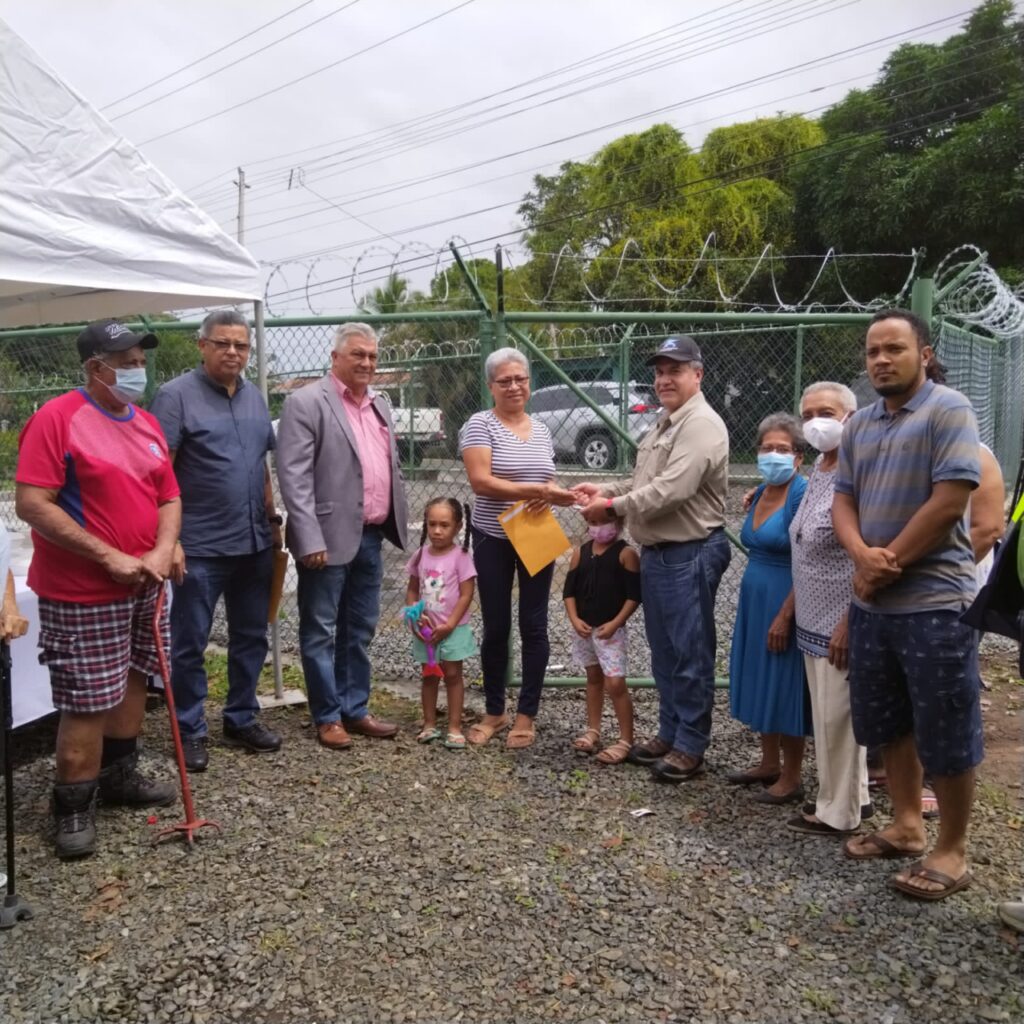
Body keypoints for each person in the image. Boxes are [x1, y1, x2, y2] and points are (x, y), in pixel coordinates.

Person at [15, 320, 180, 859]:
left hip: (144, 583)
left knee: (136, 676)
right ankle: (72, 805)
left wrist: (162, 548)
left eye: (139, 359)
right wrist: (108, 556)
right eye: (127, 361)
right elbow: (33, 503)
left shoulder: (148, 424)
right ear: (95, 368)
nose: (138, 369)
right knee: (86, 699)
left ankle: (118, 776)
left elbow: (168, 498)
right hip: (82, 589)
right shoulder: (56, 420)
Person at [833, 308, 983, 901]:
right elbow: (843, 500)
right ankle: (905, 825)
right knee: (889, 723)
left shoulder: (949, 410)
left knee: (946, 726)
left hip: (935, 603)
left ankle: (952, 849)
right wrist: (860, 557)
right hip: (875, 607)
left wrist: (883, 561)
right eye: (873, 351)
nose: (881, 360)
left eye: (894, 348)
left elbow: (950, 501)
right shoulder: (860, 424)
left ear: (923, 353)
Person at [578, 336, 730, 783]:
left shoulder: (700, 424)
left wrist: (611, 508)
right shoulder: (666, 422)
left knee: (689, 652)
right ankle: (671, 732)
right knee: (665, 652)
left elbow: (671, 491)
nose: (665, 379)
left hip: (690, 550)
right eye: (660, 371)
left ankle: (691, 745)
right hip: (661, 554)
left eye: (675, 370)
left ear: (697, 375)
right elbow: (647, 479)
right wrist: (607, 490)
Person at [149, 310, 282, 772]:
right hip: (199, 546)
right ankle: (189, 730)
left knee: (251, 637)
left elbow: (259, 465)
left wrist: (271, 518)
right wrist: (172, 540)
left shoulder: (254, 399)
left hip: (253, 544)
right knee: (190, 642)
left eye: (241, 346)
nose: (233, 352)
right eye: (223, 343)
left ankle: (241, 716)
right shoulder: (174, 397)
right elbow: (158, 473)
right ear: (201, 345)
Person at [276, 323, 408, 750]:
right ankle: (327, 716)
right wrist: (308, 537)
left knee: (360, 628)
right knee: (320, 629)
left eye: (372, 355)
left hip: (370, 535)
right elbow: (293, 477)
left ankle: (355, 709)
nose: (367, 362)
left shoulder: (380, 405)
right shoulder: (306, 402)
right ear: (335, 358)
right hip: (325, 539)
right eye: (357, 354)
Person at [459, 347, 577, 750]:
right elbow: (482, 482)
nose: (514, 386)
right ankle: (495, 709)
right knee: (496, 625)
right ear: (491, 385)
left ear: (530, 383)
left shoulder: (541, 429)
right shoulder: (480, 425)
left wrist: (552, 494)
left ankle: (527, 712)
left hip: (534, 533)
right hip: (493, 536)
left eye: (520, 378)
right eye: (505, 380)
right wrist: (537, 490)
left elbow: (545, 477)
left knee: (534, 624)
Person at [782, 382, 872, 836]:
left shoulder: (860, 472)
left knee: (838, 718)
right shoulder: (821, 466)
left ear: (851, 418)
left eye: (828, 412)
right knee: (828, 715)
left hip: (842, 616)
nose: (817, 420)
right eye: (809, 412)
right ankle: (854, 796)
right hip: (812, 617)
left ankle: (838, 814)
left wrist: (851, 620)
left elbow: (868, 552)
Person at [727, 413, 809, 805]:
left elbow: (808, 562)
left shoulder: (801, 494)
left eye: (782, 449)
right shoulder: (761, 492)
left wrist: (785, 615)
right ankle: (767, 762)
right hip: (754, 597)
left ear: (799, 457)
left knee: (785, 683)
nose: (772, 455)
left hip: (786, 598)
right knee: (761, 675)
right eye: (766, 448)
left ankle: (792, 775)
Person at [563, 518, 641, 765]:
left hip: (610, 631)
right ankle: (593, 729)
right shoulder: (580, 552)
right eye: (593, 521)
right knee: (593, 677)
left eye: (604, 521)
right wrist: (574, 619)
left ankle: (626, 739)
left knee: (616, 683)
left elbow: (634, 595)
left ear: (618, 522)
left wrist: (617, 623)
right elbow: (569, 591)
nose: (598, 527)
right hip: (585, 629)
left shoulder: (626, 554)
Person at [403, 498, 478, 751]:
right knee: (429, 676)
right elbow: (413, 589)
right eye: (432, 524)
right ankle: (429, 724)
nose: (437, 530)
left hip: (452, 630)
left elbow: (467, 594)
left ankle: (455, 727)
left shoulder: (462, 557)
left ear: (457, 527)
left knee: (454, 675)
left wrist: (450, 624)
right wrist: (414, 615)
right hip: (426, 632)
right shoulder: (421, 555)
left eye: (444, 525)